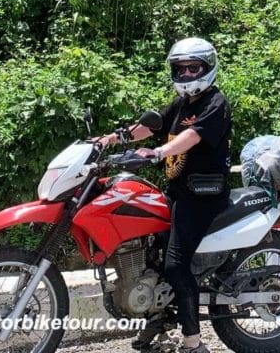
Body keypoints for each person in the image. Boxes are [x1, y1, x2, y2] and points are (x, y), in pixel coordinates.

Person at [97, 37, 232, 353]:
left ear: (207, 68)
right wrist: (107, 141)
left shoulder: (215, 103)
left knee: (175, 265)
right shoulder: (181, 104)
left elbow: (191, 136)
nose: (186, 74)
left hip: (203, 196)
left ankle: (194, 343)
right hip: (177, 192)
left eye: (193, 67)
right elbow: (150, 126)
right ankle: (159, 320)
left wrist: (159, 152)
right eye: (180, 68)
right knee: (153, 257)